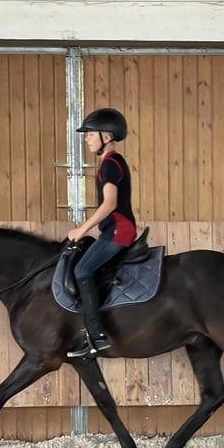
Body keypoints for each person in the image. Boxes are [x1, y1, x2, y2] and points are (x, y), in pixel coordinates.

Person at [66, 108, 136, 358]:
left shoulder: (109, 164)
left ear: (106, 136)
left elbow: (109, 204)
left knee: (82, 270)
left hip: (118, 230)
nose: (86, 139)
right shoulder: (112, 162)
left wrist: (81, 229)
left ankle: (95, 336)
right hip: (116, 229)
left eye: (90, 134)